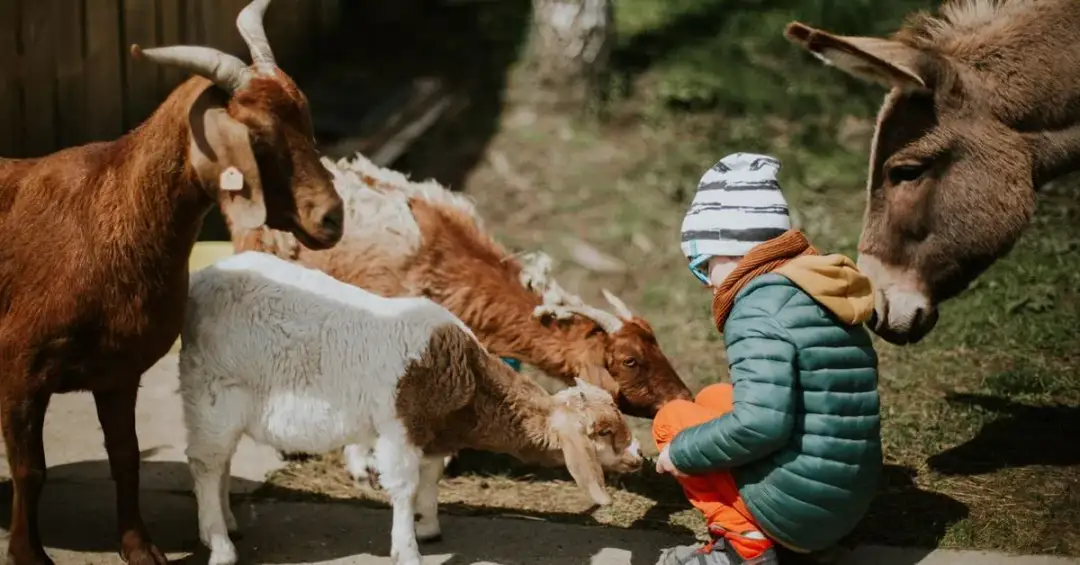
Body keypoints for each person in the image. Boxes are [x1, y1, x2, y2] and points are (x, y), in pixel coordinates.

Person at [654, 153, 883, 565]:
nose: (707, 282)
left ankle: (746, 544)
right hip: (845, 500)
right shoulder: (813, 284)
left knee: (672, 421)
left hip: (803, 509)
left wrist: (678, 453)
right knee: (711, 398)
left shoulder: (756, 308)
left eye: (705, 265)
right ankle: (788, 538)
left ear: (730, 250)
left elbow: (762, 424)